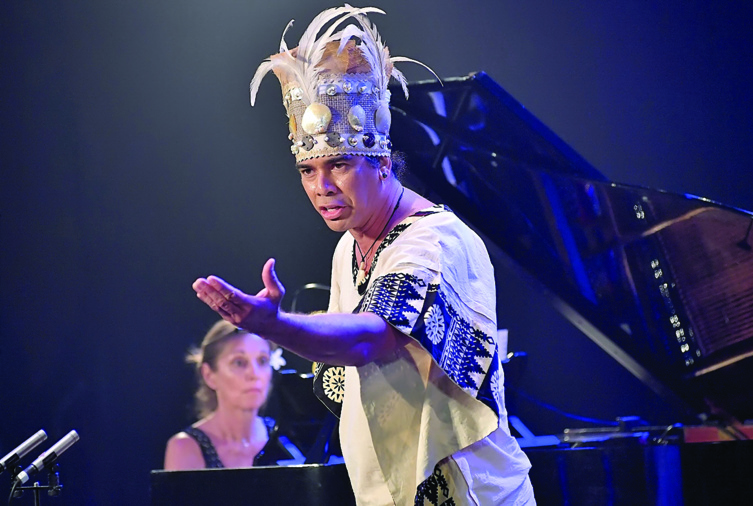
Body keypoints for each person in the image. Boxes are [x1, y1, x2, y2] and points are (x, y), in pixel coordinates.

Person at [193, 5, 535, 504]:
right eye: (308, 171)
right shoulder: (347, 248)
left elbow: (373, 338)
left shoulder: (433, 239)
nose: (322, 187)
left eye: (339, 165)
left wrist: (274, 326)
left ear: (381, 162)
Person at [164, 319, 295, 470]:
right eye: (239, 362)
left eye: (262, 360)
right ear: (209, 375)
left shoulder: (286, 440)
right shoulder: (186, 447)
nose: (254, 374)